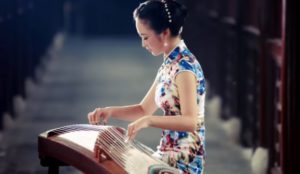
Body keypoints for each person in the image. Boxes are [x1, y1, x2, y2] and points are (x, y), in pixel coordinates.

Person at [87, 0, 206, 173]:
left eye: (145, 37)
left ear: (164, 33)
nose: (143, 44)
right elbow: (143, 109)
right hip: (167, 155)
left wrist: (148, 121)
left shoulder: (185, 68)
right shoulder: (170, 63)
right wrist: (110, 111)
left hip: (184, 163)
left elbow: (190, 121)